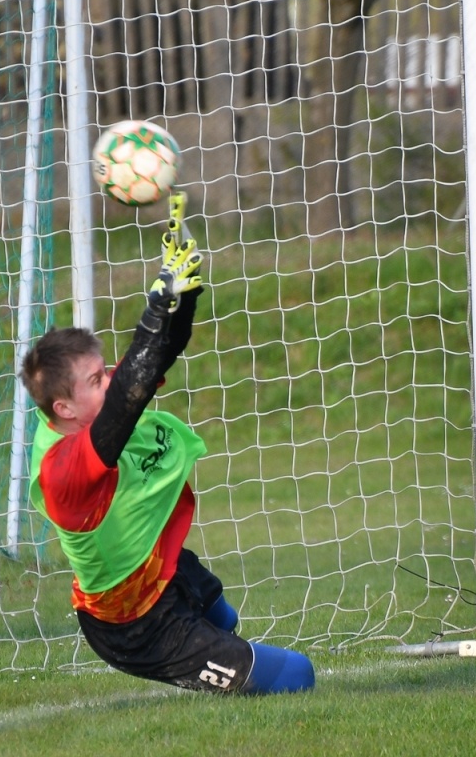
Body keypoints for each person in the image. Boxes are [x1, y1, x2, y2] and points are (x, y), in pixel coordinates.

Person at [18, 193, 314, 696]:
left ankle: (218, 658)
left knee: (224, 614)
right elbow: (128, 397)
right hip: (134, 627)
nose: (110, 381)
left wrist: (184, 298)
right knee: (297, 677)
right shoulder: (60, 471)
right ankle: (198, 663)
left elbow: (151, 365)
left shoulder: (95, 416)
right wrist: (155, 309)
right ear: (63, 409)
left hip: (163, 571)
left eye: (106, 370)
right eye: (96, 379)